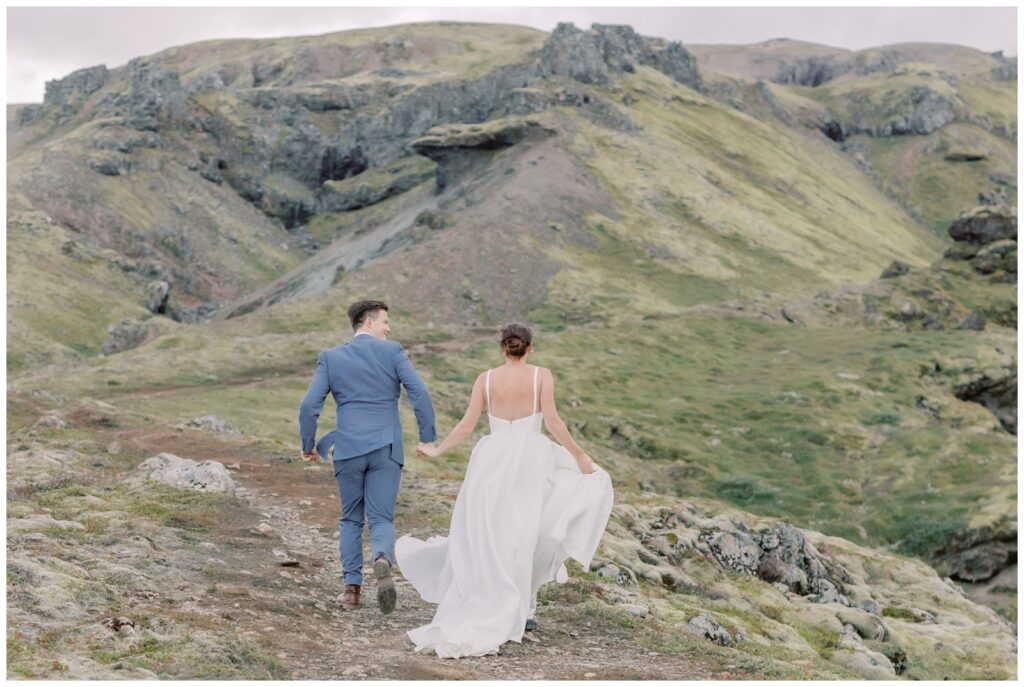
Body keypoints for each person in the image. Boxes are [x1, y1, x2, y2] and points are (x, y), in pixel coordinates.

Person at [395, 322, 614, 658]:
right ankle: (521, 609)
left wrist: (437, 450)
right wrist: (580, 455)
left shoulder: (486, 379)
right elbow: (554, 422)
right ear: (529, 347)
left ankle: (500, 600)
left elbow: (468, 424)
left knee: (490, 530)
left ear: (502, 348)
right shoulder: (541, 375)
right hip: (530, 458)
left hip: (491, 457)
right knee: (522, 531)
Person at [299, 299, 437, 614]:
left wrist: (308, 444)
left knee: (350, 518)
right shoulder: (393, 353)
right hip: (385, 448)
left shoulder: (331, 358)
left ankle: (351, 591)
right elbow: (420, 393)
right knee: (381, 518)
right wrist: (427, 437)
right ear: (369, 322)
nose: (389, 327)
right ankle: (382, 559)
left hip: (347, 449)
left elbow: (308, 406)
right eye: (385, 321)